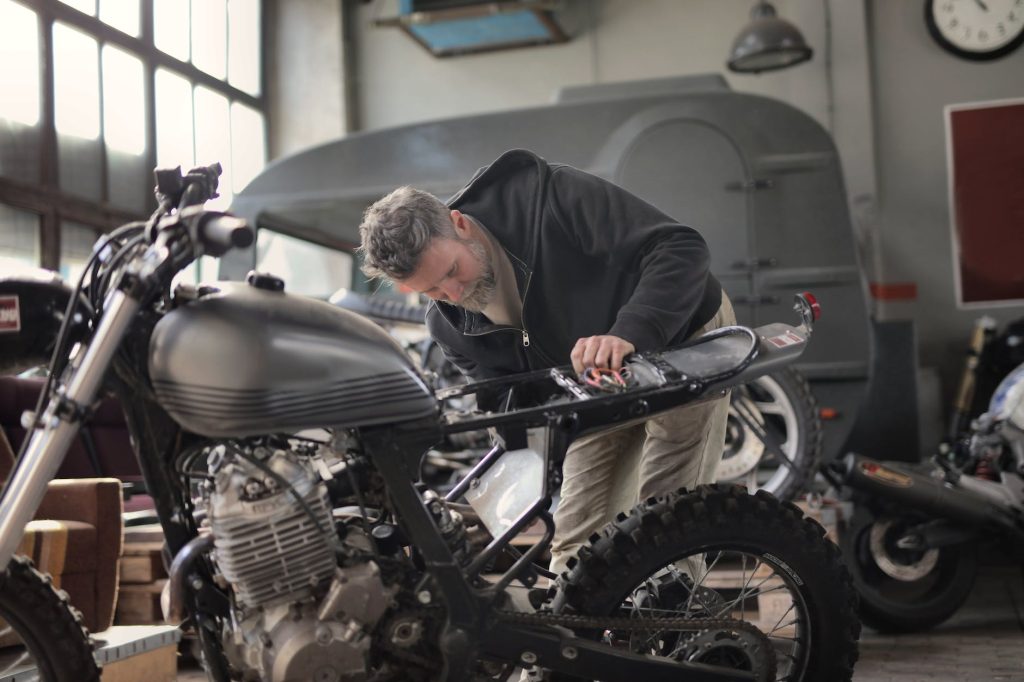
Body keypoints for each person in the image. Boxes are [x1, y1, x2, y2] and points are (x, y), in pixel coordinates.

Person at [358, 148, 735, 577]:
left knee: (666, 512)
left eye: (452, 271)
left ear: (458, 222)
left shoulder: (550, 198)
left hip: (678, 331)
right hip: (591, 382)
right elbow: (507, 406)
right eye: (434, 291)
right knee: (576, 544)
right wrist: (529, 475)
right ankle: (589, 637)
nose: (454, 293)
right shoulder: (448, 328)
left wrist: (626, 333)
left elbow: (678, 248)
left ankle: (678, 626)